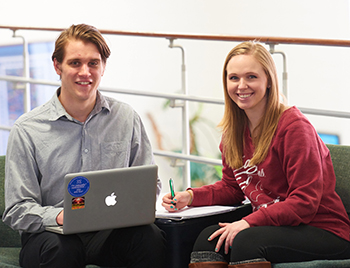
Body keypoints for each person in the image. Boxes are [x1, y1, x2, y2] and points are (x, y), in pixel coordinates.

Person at [162, 41, 350, 268]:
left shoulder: (294, 127)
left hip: (322, 228)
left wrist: (249, 222)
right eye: (234, 78)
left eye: (251, 77)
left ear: (268, 80)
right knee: (207, 240)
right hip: (274, 226)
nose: (241, 86)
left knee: (246, 242)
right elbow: (232, 188)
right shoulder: (234, 131)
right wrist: (191, 197)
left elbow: (304, 202)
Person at [3, 24, 166, 268]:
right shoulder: (27, 129)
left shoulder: (126, 117)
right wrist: (59, 216)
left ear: (103, 67)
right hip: (52, 236)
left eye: (93, 63)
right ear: (57, 66)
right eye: (75, 63)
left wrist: (134, 207)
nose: (85, 72)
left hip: (109, 234)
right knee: (63, 249)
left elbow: (148, 184)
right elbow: (16, 209)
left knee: (149, 237)